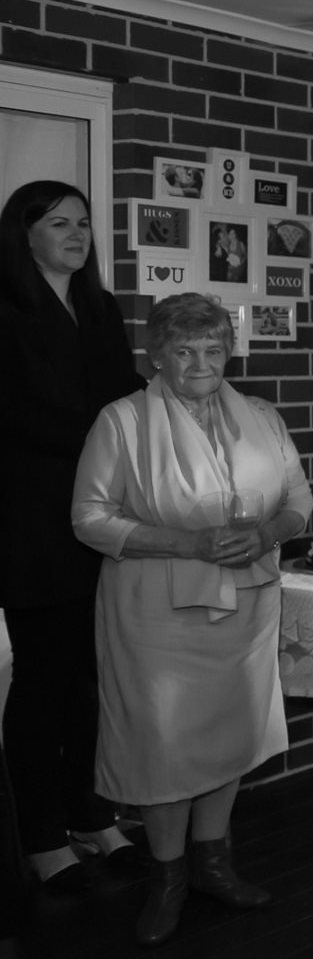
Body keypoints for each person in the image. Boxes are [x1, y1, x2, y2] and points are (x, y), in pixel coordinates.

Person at [71, 293, 311, 946]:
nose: (200, 363)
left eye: (212, 349)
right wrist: (189, 544)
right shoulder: (120, 422)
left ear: (227, 352)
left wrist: (266, 531)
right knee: (164, 743)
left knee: (228, 732)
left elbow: (298, 501)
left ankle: (213, 864)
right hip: (155, 612)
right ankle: (168, 877)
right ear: (158, 355)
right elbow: (89, 519)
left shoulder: (261, 416)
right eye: (184, 351)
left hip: (247, 601)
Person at [0, 181, 147, 895]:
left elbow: (124, 400)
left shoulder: (99, 307)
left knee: (92, 681)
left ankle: (92, 813)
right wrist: (101, 441)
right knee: (42, 681)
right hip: (30, 525)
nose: (76, 233)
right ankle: (40, 833)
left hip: (100, 520)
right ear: (24, 234)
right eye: (58, 222)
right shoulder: (6, 310)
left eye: (84, 222)